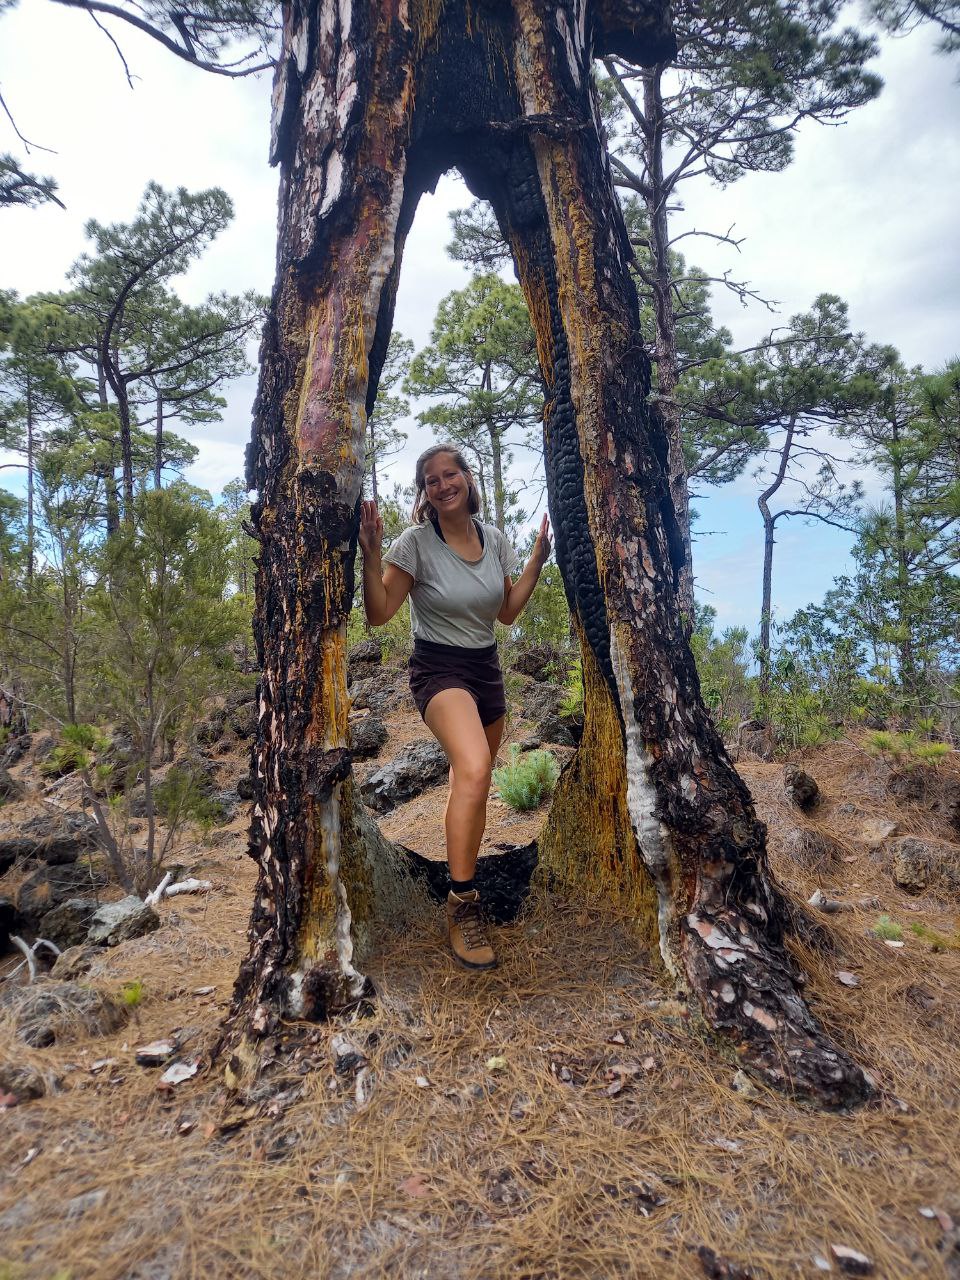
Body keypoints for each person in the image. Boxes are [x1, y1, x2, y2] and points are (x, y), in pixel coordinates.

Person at [359, 443, 551, 971]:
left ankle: (461, 872)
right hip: (438, 670)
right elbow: (379, 614)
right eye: (431, 480)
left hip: (486, 671)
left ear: (468, 478)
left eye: (451, 474)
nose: (443, 485)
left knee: (473, 783)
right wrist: (371, 555)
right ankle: (462, 904)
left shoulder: (495, 541)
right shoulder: (417, 544)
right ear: (424, 492)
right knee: (474, 767)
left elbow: (508, 613)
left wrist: (536, 560)